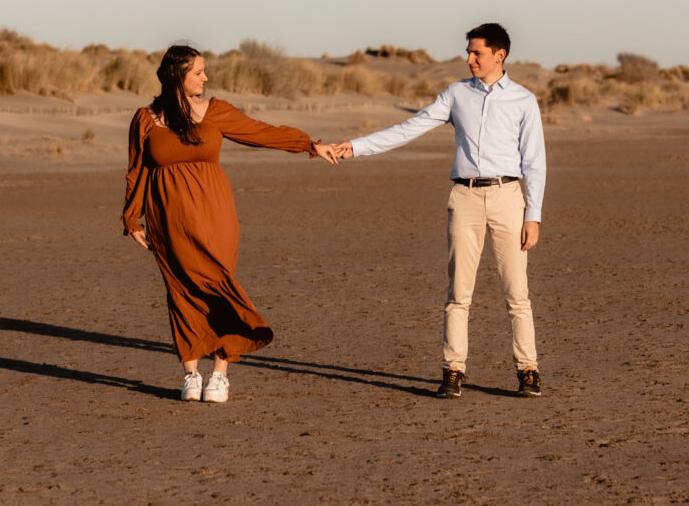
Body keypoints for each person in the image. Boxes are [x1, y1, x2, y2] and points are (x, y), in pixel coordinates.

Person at [123, 44, 342, 402]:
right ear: (178, 74)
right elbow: (137, 171)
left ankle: (220, 373)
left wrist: (310, 145)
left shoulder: (216, 111)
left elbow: (263, 132)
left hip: (215, 213)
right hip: (168, 217)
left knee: (220, 285)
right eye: (198, 72)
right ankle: (191, 374)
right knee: (181, 291)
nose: (205, 78)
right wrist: (132, 218)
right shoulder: (146, 118)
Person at [337, 23, 546, 399]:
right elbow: (409, 128)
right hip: (464, 198)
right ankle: (453, 370)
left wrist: (534, 215)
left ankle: (527, 370)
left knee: (517, 293)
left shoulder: (523, 100)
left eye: (476, 53)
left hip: (508, 198)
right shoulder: (456, 94)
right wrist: (357, 147)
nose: (469, 59)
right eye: (468, 52)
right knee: (458, 293)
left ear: (499, 55)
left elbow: (535, 162)